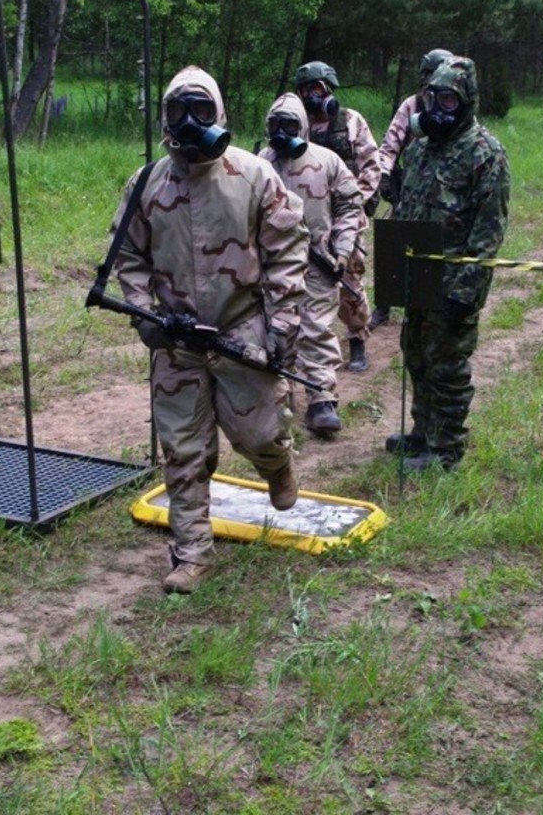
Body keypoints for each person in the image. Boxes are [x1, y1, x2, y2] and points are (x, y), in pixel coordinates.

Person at [113, 65, 309, 594]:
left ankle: (278, 465)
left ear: (218, 112)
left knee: (259, 433)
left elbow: (288, 250)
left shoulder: (253, 176)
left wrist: (282, 325)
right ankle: (192, 554)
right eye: (179, 110)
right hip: (175, 339)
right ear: (165, 117)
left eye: (201, 110)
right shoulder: (147, 184)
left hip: (241, 331)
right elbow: (128, 255)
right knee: (182, 448)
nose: (190, 122)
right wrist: (145, 314)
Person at [390, 56, 510, 471]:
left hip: (454, 280)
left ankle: (446, 449)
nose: (438, 109)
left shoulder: (485, 153)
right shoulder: (420, 149)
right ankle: (422, 432)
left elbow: (489, 231)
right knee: (416, 355)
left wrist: (466, 290)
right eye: (433, 98)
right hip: (418, 274)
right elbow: (406, 208)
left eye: (448, 100)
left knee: (447, 366)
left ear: (466, 101)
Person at [259, 92, 365, 437]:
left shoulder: (327, 161)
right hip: (272, 264)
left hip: (318, 264)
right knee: (277, 328)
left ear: (303, 126)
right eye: (275, 125)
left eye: (289, 125)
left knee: (316, 328)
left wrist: (342, 250)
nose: (281, 133)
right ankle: (281, 397)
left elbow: (350, 206)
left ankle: (322, 398)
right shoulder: (259, 164)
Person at [294, 61, 382, 373]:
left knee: (350, 282)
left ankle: (357, 339)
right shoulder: (296, 126)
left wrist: (351, 203)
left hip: (347, 219)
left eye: (316, 89)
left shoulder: (350, 121)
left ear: (328, 89)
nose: (311, 96)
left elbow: (372, 167)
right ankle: (305, 343)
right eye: (305, 90)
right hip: (309, 220)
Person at [368, 48, 453, 331]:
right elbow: (390, 145)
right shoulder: (413, 105)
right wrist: (384, 176)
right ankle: (383, 306)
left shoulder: (456, 106)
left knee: (441, 248)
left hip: (446, 190)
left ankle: (431, 308)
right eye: (431, 76)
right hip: (411, 188)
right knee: (392, 244)